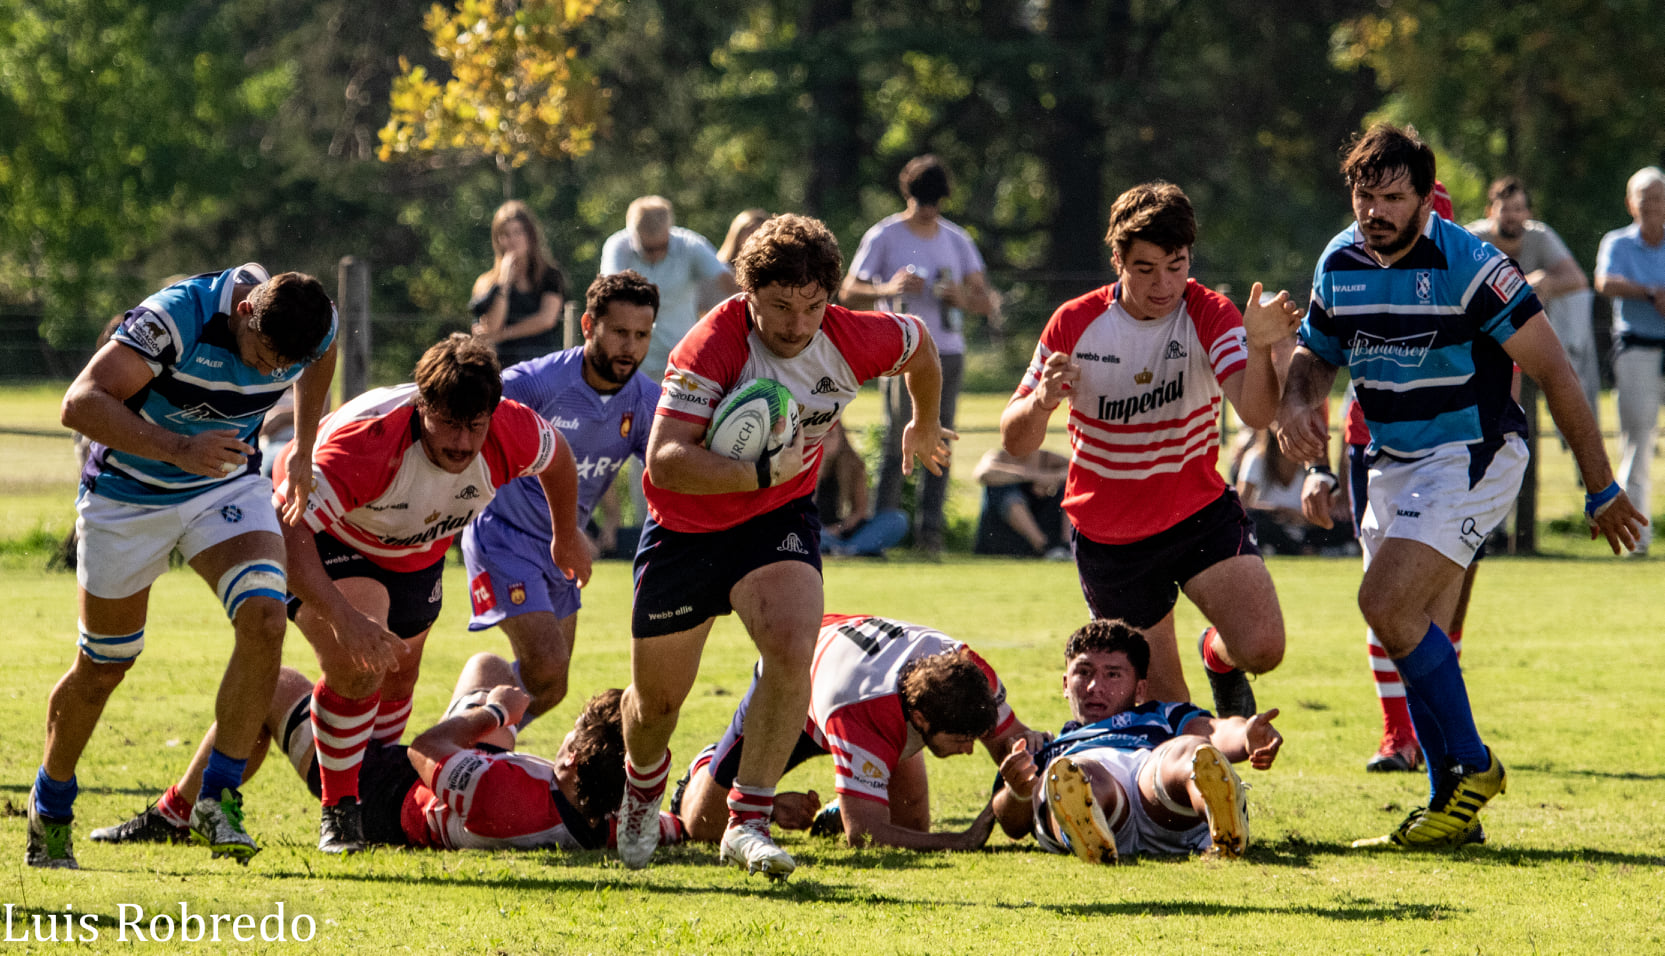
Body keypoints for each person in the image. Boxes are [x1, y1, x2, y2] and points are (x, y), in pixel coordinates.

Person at [1278, 124, 1647, 850]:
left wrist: (1600, 488)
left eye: (1390, 198)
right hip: (1389, 459)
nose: (1373, 212)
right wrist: (1297, 403)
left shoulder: (1471, 265)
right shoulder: (1339, 259)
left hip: (1470, 455)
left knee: (1382, 603)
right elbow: (1314, 354)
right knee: (1405, 626)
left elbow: (1555, 374)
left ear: (1425, 201)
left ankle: (1472, 766)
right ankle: (1450, 807)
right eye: (1362, 196)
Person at [616, 213, 952, 880]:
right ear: (748, 296)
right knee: (655, 707)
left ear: (831, 297)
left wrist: (924, 421)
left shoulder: (854, 336)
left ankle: (748, 821)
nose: (796, 325)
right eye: (778, 307)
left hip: (777, 518)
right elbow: (664, 461)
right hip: (686, 532)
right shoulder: (711, 343)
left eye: (811, 306)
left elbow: (921, 349)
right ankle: (637, 796)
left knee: (793, 643)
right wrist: (759, 470)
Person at [29, 266, 338, 869]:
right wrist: (178, 449)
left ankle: (215, 798)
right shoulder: (177, 317)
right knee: (104, 666)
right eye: (263, 357)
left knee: (266, 620)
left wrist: (304, 442)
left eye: (283, 368)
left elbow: (321, 357)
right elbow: (79, 402)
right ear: (245, 312)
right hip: (128, 496)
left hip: (220, 486)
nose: (269, 375)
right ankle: (51, 804)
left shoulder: (308, 323)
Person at [999, 180, 1303, 719]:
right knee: (1170, 713)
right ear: (1117, 260)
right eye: (1145, 269)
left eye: (1176, 265)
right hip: (1113, 538)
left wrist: (1260, 347)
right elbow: (1015, 440)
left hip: (1198, 516)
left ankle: (1218, 656)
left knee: (1263, 649)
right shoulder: (1075, 323)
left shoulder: (1209, 313)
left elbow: (1256, 414)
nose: (1164, 284)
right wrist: (1042, 401)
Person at [279, 333, 590, 854]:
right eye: (447, 422)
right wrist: (340, 616)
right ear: (420, 406)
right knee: (362, 658)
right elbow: (288, 533)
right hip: (328, 534)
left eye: (474, 426)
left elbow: (556, 457)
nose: (463, 443)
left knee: (399, 673)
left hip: (417, 551)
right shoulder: (366, 445)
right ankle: (341, 809)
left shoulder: (508, 429)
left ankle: (372, 786)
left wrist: (565, 534)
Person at [89, 653, 683, 853]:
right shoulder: (610, 824)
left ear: (574, 759)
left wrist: (496, 716)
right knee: (489, 665)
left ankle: (173, 811)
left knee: (269, 685)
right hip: (483, 786)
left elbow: (427, 750)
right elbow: (673, 827)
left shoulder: (505, 795)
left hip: (380, 794)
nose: (567, 732)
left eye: (574, 730)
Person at [461, 271, 659, 721]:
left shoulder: (647, 402)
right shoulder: (536, 384)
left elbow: (669, 474)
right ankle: (456, 756)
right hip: (504, 537)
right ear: (589, 326)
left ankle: (466, 726)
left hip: (563, 550)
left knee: (549, 687)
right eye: (620, 333)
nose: (631, 347)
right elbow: (463, 411)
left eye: (642, 335)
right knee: (547, 666)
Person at [674, 613, 1039, 850]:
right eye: (961, 740)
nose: (970, 751)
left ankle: (848, 800)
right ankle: (708, 763)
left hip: (866, 680)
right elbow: (864, 836)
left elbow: (1017, 742)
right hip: (792, 690)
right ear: (922, 720)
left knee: (910, 825)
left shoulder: (972, 673)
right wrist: (959, 840)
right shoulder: (865, 715)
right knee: (702, 824)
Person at [991, 620, 1281, 863]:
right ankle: (1087, 827)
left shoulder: (1162, 715)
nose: (1095, 687)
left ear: (1140, 688)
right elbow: (1011, 825)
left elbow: (1214, 731)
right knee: (1073, 774)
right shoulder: (1044, 746)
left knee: (1189, 751)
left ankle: (1222, 822)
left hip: (1156, 796)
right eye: (1084, 672)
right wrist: (1016, 790)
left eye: (1113, 674)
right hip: (1093, 783)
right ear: (1066, 684)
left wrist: (1246, 736)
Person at [840, 154, 1002, 553]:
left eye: (934, 203)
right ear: (907, 194)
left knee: (940, 437)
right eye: (920, 201)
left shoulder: (957, 240)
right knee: (898, 435)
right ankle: (880, 532)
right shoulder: (885, 236)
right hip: (896, 350)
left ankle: (931, 535)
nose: (927, 210)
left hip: (946, 351)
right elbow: (847, 292)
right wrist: (888, 288)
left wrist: (960, 297)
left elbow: (986, 302)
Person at [1468, 177, 1599, 440]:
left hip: (1531, 337)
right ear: (1490, 211)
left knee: (1573, 296)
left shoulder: (1539, 236)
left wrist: (1547, 281)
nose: (1512, 216)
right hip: (1482, 340)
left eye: (1518, 209)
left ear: (1527, 212)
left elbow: (1578, 280)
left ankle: (1569, 354)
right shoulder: (1472, 239)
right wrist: (1521, 285)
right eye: (1505, 209)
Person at [1594, 166, 1665, 557]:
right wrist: (1650, 292)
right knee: (1637, 442)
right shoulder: (1617, 243)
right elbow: (1604, 282)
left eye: (1658, 198)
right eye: (1644, 198)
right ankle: (1636, 536)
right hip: (1636, 347)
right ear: (1630, 203)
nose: (1652, 205)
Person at [599, 195, 740, 383]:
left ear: (669, 231)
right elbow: (609, 292)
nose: (655, 255)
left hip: (681, 360)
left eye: (661, 247)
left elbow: (728, 283)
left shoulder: (690, 245)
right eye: (647, 249)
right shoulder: (618, 246)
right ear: (633, 233)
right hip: (631, 360)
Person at [470, 201, 570, 368]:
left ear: (530, 236)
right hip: (505, 368)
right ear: (498, 240)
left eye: (518, 232)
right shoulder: (486, 283)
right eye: (505, 234)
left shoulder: (550, 275)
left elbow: (546, 319)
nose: (512, 240)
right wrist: (503, 285)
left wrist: (504, 334)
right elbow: (491, 328)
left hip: (543, 367)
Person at [816, 420, 906, 557]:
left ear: (841, 438)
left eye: (830, 436)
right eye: (820, 436)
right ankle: (855, 550)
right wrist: (818, 467)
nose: (824, 441)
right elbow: (805, 505)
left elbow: (860, 512)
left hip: (844, 531)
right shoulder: (803, 465)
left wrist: (839, 528)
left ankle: (847, 549)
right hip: (817, 530)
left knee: (897, 519)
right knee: (806, 531)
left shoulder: (853, 465)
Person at [972, 447, 1071, 559]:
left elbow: (1077, 470)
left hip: (1044, 522)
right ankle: (1043, 546)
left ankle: (1067, 546)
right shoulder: (998, 456)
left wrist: (1052, 479)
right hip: (1005, 538)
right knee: (1001, 489)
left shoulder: (1048, 458)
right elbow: (982, 474)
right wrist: (1035, 477)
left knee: (1070, 488)